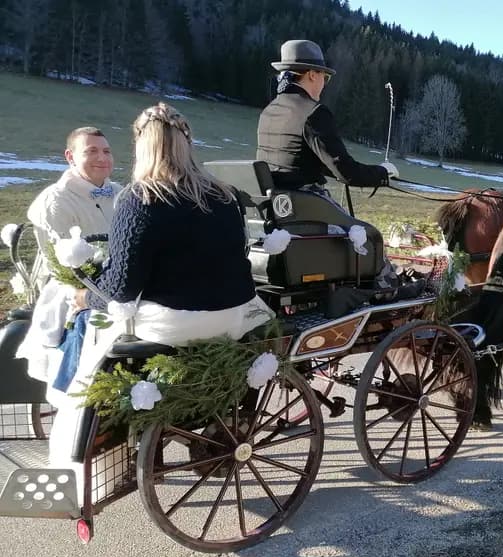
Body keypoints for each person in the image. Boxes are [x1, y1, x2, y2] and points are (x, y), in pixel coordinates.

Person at [48, 102, 273, 501]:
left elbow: (120, 289)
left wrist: (85, 295)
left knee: (84, 322)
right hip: (232, 315)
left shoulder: (140, 199)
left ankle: (73, 414)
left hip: (175, 322)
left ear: (142, 146)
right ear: (187, 144)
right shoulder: (224, 195)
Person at [16, 128, 122, 398]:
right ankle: (75, 391)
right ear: (70, 157)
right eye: (91, 151)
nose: (102, 158)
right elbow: (62, 266)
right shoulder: (56, 200)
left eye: (106, 151)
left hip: (117, 283)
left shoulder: (120, 193)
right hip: (71, 287)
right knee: (90, 318)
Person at [257, 39, 399, 193]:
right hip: (305, 208)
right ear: (312, 75)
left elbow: (294, 161)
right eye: (325, 77)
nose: (324, 83)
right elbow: (348, 173)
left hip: (274, 207)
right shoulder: (314, 113)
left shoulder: (269, 111)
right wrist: (383, 173)